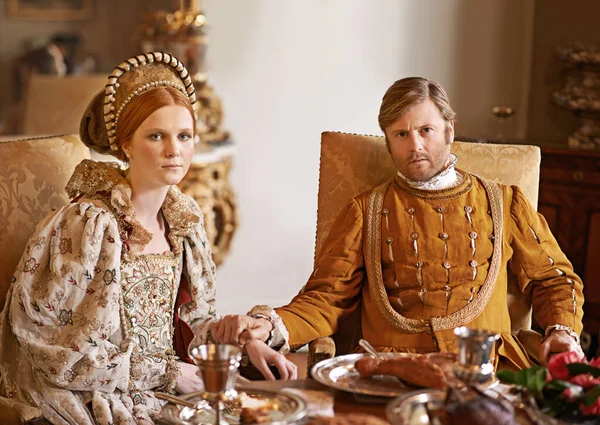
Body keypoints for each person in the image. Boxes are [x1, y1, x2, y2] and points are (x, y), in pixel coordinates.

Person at [0, 52, 295, 425]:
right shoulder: (90, 224)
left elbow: (193, 322)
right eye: (156, 136)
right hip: (94, 391)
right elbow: (52, 347)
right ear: (126, 144)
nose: (175, 150)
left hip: (162, 387)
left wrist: (246, 342)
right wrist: (168, 374)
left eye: (184, 136)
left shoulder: (183, 220)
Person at [211, 77, 584, 371]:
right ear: (388, 141)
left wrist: (561, 332)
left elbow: (554, 279)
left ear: (449, 130)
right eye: (401, 135)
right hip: (389, 373)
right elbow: (325, 298)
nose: (415, 146)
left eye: (426, 130)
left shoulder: (504, 200)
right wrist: (269, 324)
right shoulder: (366, 210)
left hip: (486, 369)